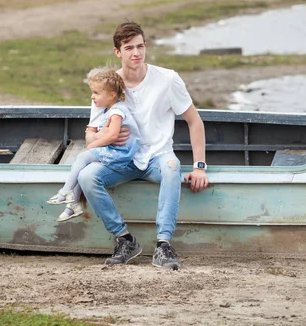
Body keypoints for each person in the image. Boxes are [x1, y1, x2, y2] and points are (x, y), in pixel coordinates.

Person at [78, 21, 209, 269]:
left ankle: (163, 246)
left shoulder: (168, 79)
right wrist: (107, 137)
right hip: (121, 159)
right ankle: (125, 240)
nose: (136, 53)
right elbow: (90, 138)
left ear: (146, 46)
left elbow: (195, 121)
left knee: (172, 167)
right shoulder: (107, 84)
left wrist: (199, 167)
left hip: (157, 157)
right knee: (86, 177)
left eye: (140, 46)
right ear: (117, 52)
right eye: (128, 48)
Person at [47, 67, 141, 222]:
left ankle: (65, 191)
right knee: (84, 164)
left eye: (96, 93)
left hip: (121, 154)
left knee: (83, 157)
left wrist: (93, 145)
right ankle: (73, 206)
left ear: (111, 95)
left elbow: (112, 135)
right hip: (115, 150)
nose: (92, 97)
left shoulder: (117, 111)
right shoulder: (110, 109)